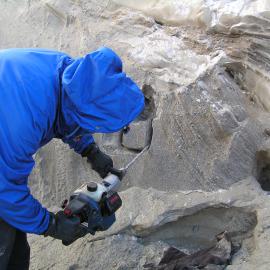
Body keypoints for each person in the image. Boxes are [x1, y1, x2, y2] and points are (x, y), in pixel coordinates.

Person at [0, 47, 145, 270]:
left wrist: (90, 151)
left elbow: (67, 113)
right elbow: (5, 188)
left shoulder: (73, 74)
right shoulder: (23, 121)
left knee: (15, 245)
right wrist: (50, 225)